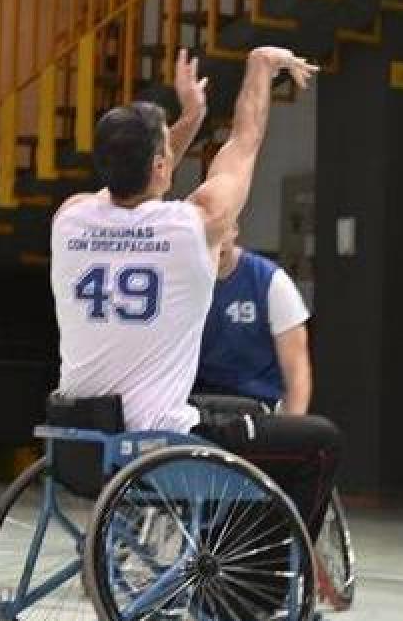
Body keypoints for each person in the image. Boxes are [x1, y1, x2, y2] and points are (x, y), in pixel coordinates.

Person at [50, 47, 342, 541]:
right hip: (160, 449)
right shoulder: (194, 226)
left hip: (80, 444)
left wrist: (189, 120)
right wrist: (258, 70)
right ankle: (265, 573)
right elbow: (244, 145)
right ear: (162, 165)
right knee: (319, 441)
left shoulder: (71, 217)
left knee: (234, 412)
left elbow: (138, 174)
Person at [195, 227, 314, 415]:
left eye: (220, 231)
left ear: (234, 229)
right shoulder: (181, 281)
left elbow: (297, 370)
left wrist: (293, 429)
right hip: (197, 405)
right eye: (207, 235)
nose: (216, 243)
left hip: (258, 405)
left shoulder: (270, 280)